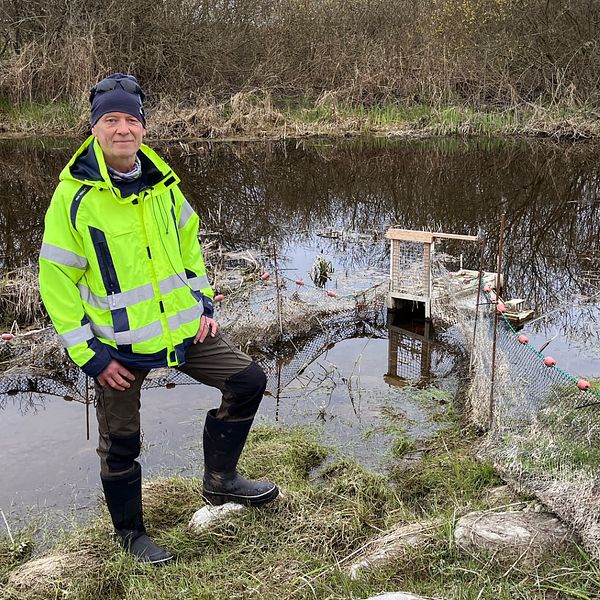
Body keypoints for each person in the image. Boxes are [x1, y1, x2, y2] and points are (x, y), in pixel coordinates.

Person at [38, 73, 278, 565]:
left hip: (183, 331)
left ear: (144, 127)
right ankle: (130, 535)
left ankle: (221, 481)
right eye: (111, 120)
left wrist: (204, 304)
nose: (123, 129)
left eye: (131, 119)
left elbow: (189, 245)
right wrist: (91, 355)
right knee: (121, 444)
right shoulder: (74, 198)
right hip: (116, 350)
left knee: (249, 380)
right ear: (94, 129)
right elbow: (56, 283)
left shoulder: (164, 185)